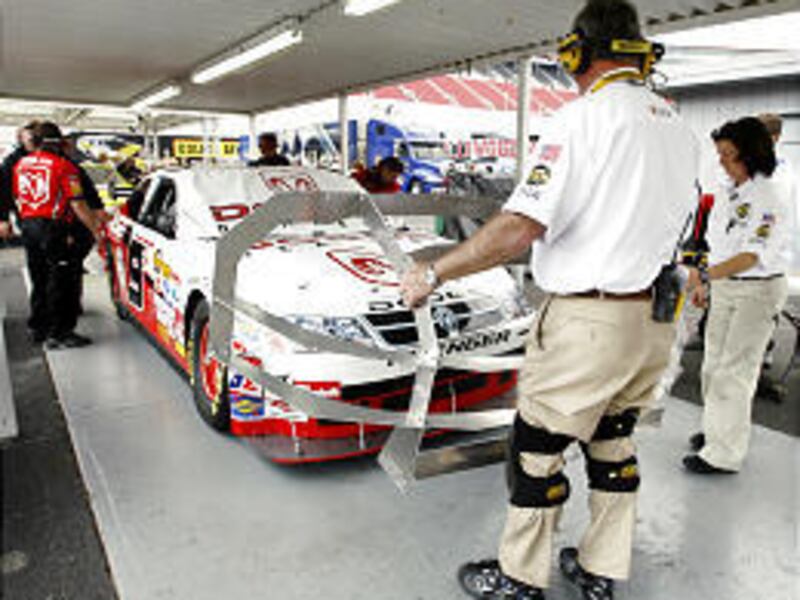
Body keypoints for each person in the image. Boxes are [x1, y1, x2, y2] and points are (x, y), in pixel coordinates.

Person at [401, 2, 697, 598]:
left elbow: (518, 227)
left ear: (577, 54)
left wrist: (435, 272)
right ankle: (600, 571)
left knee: (537, 448)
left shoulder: (580, 120)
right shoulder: (678, 127)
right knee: (613, 442)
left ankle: (519, 579)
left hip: (589, 319)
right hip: (654, 318)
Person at [682, 117, 790, 474]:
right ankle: (717, 432)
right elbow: (719, 243)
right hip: (728, 286)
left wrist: (704, 278)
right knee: (713, 365)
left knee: (735, 371)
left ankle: (725, 453)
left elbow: (750, 255)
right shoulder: (731, 189)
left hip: (757, 289)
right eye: (720, 154)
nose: (722, 162)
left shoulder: (768, 195)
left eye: (729, 155)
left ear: (752, 154)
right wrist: (703, 278)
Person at [13, 122, 103, 348]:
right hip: (53, 228)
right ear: (57, 142)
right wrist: (96, 230)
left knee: (39, 278)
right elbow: (79, 205)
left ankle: (38, 328)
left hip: (28, 226)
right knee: (62, 281)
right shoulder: (65, 167)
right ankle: (60, 334)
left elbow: (18, 197)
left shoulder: (21, 164)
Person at [0, 122, 38, 241]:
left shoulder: (52, 157)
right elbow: (3, 189)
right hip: (24, 212)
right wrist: (4, 219)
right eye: (29, 137)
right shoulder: (12, 161)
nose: (32, 140)